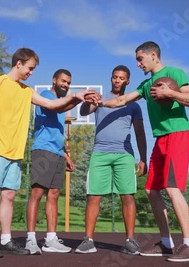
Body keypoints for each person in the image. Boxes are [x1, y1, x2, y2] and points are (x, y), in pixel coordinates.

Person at [0, 48, 100, 258]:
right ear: (19, 64)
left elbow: (52, 104)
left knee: (9, 195)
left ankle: (6, 240)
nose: (31, 72)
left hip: (15, 152)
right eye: (30, 68)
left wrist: (76, 97)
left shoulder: (26, 91)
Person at [98, 41, 189, 262]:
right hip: (160, 138)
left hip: (177, 134)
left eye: (140, 59)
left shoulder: (174, 73)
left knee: (172, 188)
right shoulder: (146, 85)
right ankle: (166, 243)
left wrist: (170, 93)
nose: (137, 64)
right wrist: (100, 102)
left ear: (153, 55)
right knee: (151, 190)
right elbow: (123, 99)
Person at [74, 65, 147, 255]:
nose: (117, 80)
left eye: (121, 78)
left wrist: (143, 158)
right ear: (111, 79)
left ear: (127, 81)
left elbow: (140, 133)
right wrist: (87, 101)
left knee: (127, 196)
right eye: (114, 77)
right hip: (100, 153)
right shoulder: (100, 98)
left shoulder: (134, 105)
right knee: (93, 196)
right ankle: (88, 240)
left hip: (124, 155)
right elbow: (83, 112)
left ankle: (130, 241)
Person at [25, 69, 75, 255]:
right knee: (37, 193)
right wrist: (76, 98)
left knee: (54, 194)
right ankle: (30, 239)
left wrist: (65, 154)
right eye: (63, 81)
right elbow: (56, 107)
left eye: (69, 82)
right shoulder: (46, 95)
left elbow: (56, 133)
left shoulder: (62, 103)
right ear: (54, 80)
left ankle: (51, 239)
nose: (66, 85)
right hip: (43, 150)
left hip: (56, 152)